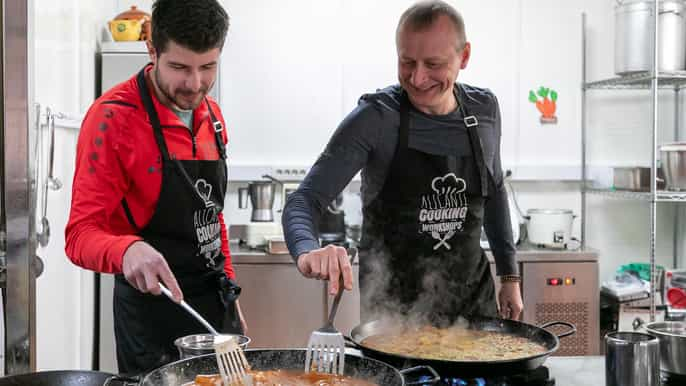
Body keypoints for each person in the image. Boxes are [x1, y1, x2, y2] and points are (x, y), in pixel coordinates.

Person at [283, 0, 523, 324]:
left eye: (433, 64)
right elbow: (304, 200)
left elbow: (493, 191)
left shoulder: (484, 110)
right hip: (394, 320)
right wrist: (308, 251)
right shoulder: (377, 118)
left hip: (474, 312)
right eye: (407, 62)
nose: (418, 78)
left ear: (464, 57)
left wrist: (509, 276)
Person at [65, 0, 246, 374]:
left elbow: (211, 219)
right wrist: (128, 249)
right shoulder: (112, 119)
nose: (195, 84)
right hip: (152, 317)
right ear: (152, 51)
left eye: (208, 67)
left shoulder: (213, 117)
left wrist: (231, 293)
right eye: (179, 67)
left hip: (213, 310)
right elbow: (79, 235)